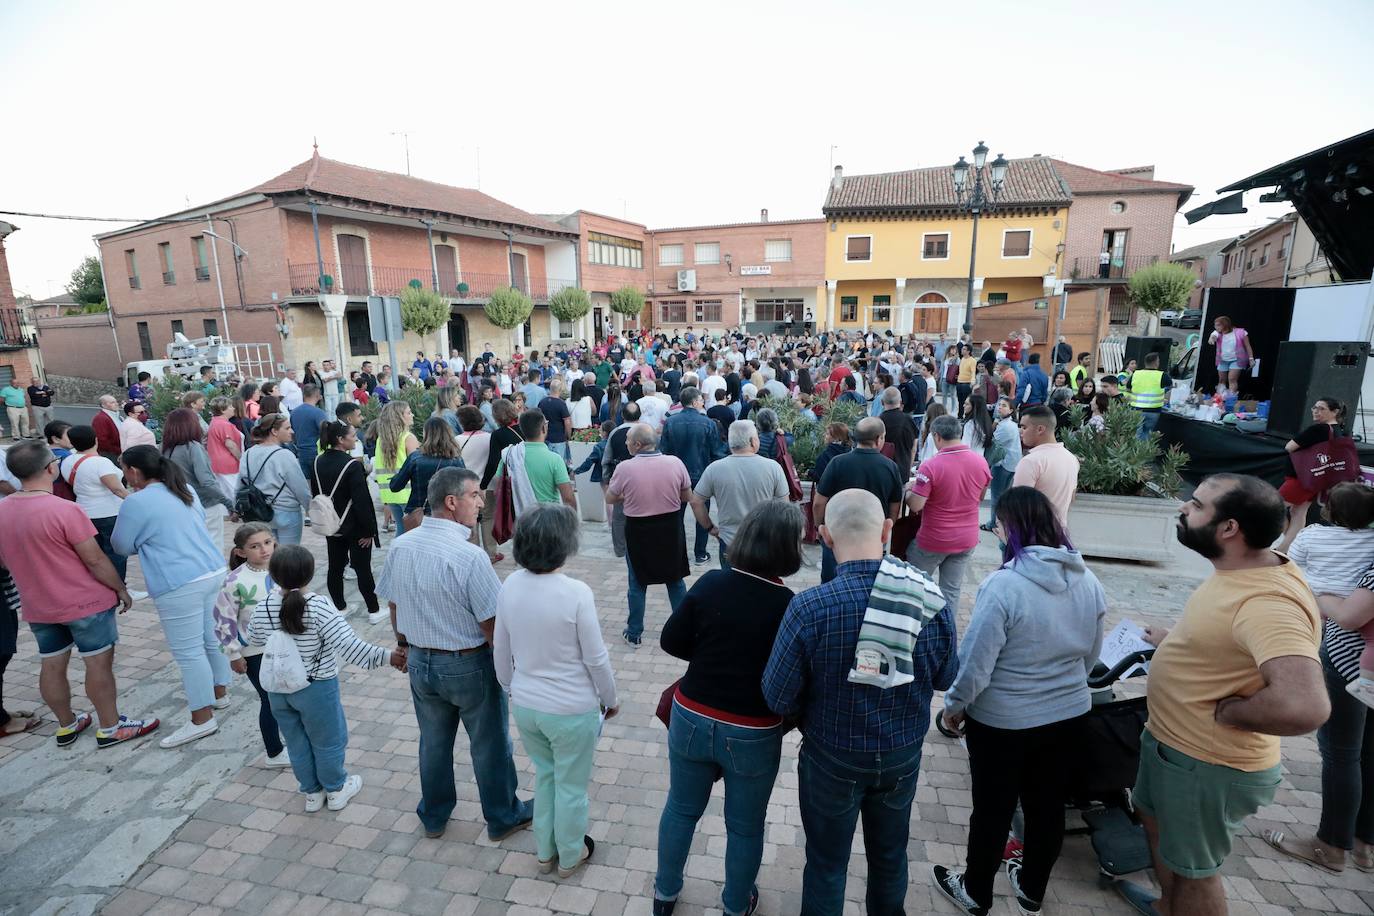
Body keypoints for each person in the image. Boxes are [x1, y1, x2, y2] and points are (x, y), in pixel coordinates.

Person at [1121, 474, 1328, 916]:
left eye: (1195, 505)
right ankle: (1167, 906)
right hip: (1175, 749)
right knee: (1163, 836)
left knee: (1197, 870)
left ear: (1229, 528)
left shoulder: (1267, 602)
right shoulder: (1241, 570)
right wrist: (1173, 640)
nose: (1182, 509)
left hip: (1206, 763)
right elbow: (1231, 642)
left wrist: (1235, 712)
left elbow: (1304, 704)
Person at [763, 488, 957, 914]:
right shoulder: (929, 598)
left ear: (825, 536)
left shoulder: (809, 608)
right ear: (888, 529)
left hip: (831, 755)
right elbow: (946, 676)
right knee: (890, 860)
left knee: (827, 864)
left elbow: (777, 696)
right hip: (902, 753)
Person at [933, 486, 1106, 915]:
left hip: (1003, 723)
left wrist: (954, 707)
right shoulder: (1089, 581)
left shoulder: (1004, 586)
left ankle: (975, 891)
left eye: (998, 523)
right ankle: (1031, 890)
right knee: (1046, 807)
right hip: (1068, 715)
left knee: (992, 809)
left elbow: (976, 664)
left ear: (1011, 527)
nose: (994, 529)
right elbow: (1092, 654)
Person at [657, 497, 802, 916]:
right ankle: (736, 905)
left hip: (691, 713)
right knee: (744, 826)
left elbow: (671, 641)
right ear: (789, 548)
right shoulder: (787, 604)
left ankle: (664, 896)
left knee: (681, 810)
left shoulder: (711, 583)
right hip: (753, 728)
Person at [377, 467, 533, 840]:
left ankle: (434, 814)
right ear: (451, 502)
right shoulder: (469, 557)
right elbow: (492, 625)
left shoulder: (402, 545)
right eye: (475, 495)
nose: (480, 502)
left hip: (419, 661)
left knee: (432, 741)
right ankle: (501, 815)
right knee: (490, 744)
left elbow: (395, 605)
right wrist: (511, 671)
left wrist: (402, 644)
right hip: (467, 664)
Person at [0, 440, 159, 748]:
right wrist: (120, 588)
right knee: (97, 664)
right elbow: (95, 559)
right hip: (84, 602)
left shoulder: (3, 511)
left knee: (52, 662)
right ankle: (111, 727)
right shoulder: (66, 509)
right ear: (50, 468)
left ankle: (67, 724)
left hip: (38, 605)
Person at [495, 503, 617, 878]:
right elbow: (596, 658)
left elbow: (501, 648)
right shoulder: (576, 593)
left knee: (546, 776)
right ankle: (569, 854)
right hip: (570, 709)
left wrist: (510, 687)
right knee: (571, 786)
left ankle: (545, 851)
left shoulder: (510, 584)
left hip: (528, 705)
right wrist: (610, 700)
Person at [247, 544, 403, 813]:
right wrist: (389, 656)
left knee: (296, 741)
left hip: (279, 689)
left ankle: (311, 793)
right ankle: (336, 789)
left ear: (273, 575)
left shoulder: (265, 606)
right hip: (316, 687)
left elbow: (254, 638)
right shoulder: (318, 606)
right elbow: (350, 647)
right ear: (309, 574)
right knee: (328, 740)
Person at [113, 445, 234, 749]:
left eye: (124, 468)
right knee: (209, 639)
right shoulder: (183, 489)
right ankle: (220, 694)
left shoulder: (136, 502)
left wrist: (146, 540)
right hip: (210, 571)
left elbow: (121, 545)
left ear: (135, 472)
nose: (123, 474)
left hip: (179, 582)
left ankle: (201, 719)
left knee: (190, 652)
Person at [606, 424, 692, 646]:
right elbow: (686, 496)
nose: (625, 443)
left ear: (637, 444)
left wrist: (630, 496)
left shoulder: (625, 468)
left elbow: (610, 497)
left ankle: (634, 633)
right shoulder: (675, 463)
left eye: (627, 440)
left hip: (639, 530)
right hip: (670, 528)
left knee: (637, 583)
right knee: (675, 581)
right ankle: (683, 630)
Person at [212, 522, 288, 768]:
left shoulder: (281, 569)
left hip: (286, 645)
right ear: (241, 552)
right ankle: (274, 752)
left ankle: (292, 737)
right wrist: (234, 654)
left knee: (288, 694)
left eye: (267, 543)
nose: (264, 550)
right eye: (255, 546)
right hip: (255, 651)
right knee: (270, 700)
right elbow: (224, 620)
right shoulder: (234, 581)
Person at [905, 414, 991, 613]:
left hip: (934, 538)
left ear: (936, 436)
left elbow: (916, 505)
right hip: (966, 539)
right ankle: (947, 636)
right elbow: (979, 497)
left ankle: (915, 631)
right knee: (951, 592)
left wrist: (909, 490)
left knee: (915, 588)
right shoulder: (980, 462)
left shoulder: (931, 466)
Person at [690, 419, 789, 572]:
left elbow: (696, 501)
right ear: (752, 441)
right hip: (763, 542)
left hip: (730, 542)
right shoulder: (773, 468)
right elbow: (784, 507)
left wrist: (710, 528)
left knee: (731, 590)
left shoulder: (714, 469)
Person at [813, 417, 903, 582]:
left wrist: (820, 527)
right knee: (867, 584)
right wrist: (886, 526)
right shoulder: (890, 467)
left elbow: (819, 502)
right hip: (873, 535)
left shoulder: (837, 463)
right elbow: (895, 505)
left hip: (837, 532)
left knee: (831, 583)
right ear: (879, 439)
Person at [313, 420, 381, 623]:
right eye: (353, 435)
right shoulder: (352, 465)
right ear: (341, 440)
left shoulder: (317, 461)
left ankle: (340, 607)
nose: (356, 438)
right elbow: (362, 501)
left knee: (335, 566)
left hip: (331, 524)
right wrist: (370, 531)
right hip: (355, 526)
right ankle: (374, 610)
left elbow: (317, 493)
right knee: (362, 569)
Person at [662, 386, 728, 566]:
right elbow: (717, 451)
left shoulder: (671, 422)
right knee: (701, 514)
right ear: (694, 402)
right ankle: (700, 553)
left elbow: (664, 451)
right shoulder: (707, 423)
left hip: (676, 475)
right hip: (701, 474)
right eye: (700, 400)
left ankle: (678, 553)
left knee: (677, 515)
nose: (702, 402)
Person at [59, 425, 132, 585]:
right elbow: (116, 489)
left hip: (84, 512)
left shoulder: (67, 460)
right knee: (116, 554)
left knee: (95, 555)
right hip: (109, 513)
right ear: (95, 440)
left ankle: (101, 586)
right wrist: (136, 502)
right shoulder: (100, 463)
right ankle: (119, 586)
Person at [1277, 397, 1351, 552]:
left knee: (1274, 507)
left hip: (1301, 479)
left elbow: (1289, 447)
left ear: (1334, 412)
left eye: (1322, 408)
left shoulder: (1319, 429)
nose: (1316, 411)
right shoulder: (1340, 430)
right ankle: (1287, 547)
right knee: (1298, 512)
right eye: (1315, 407)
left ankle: (1282, 547)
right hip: (1316, 479)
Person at [162, 407, 236, 550]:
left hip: (181, 504)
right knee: (213, 545)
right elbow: (207, 481)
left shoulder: (165, 449)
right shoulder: (193, 447)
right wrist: (228, 503)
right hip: (205, 504)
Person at [239, 413, 312, 546]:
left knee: (268, 555)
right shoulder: (284, 455)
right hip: (286, 512)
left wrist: (236, 507)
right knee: (288, 556)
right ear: (274, 431)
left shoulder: (248, 453)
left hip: (258, 511)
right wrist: (310, 508)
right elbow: (300, 488)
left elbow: (241, 483)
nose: (292, 431)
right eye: (287, 428)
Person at [496, 410, 577, 515]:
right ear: (544, 428)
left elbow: (498, 488)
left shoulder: (509, 455)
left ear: (521, 429)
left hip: (520, 519)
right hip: (549, 520)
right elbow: (568, 498)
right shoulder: (555, 460)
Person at [1013, 406, 1078, 531]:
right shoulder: (1071, 459)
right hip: (1059, 533)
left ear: (1040, 429)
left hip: (1032, 536)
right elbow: (1071, 498)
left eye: (1024, 427)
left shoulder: (1031, 461)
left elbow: (1017, 506)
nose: (1021, 431)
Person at [982, 397, 1022, 531]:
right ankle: (1000, 522)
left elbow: (991, 441)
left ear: (1011, 410)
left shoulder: (1007, 426)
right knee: (1003, 495)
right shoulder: (1007, 423)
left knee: (996, 496)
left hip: (1003, 464)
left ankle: (994, 524)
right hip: (1010, 463)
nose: (1000, 408)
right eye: (999, 405)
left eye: (1004, 406)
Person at [1127, 352, 1171, 441]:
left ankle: (1136, 453)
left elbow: (1128, 388)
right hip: (1153, 411)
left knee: (1136, 435)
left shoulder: (1136, 374)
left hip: (1136, 409)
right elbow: (1170, 387)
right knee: (1148, 434)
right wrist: (1165, 398)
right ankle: (1145, 453)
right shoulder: (1162, 375)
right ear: (1156, 362)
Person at [289, 384, 329, 482]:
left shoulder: (294, 412)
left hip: (301, 452)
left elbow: (292, 433)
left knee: (308, 483)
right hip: (316, 452)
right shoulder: (318, 413)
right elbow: (326, 432)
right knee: (321, 483)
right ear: (317, 395)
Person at [878, 387, 917, 484]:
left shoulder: (877, 422)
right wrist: (908, 468)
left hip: (881, 471)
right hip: (902, 470)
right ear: (900, 402)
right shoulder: (909, 421)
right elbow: (914, 448)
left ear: (882, 402)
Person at [1208, 315, 1254, 394]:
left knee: (1232, 379)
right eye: (1215, 325)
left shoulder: (1241, 332)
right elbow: (1213, 336)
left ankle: (1230, 399)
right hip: (1222, 360)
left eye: (1218, 325)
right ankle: (1219, 399)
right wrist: (1211, 338)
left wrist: (1251, 358)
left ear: (1225, 324)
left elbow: (1248, 346)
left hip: (1237, 360)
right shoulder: (1217, 333)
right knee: (1221, 380)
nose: (1216, 327)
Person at [539, 378, 573, 462]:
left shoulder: (542, 402)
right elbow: (567, 422)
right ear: (560, 389)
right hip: (558, 439)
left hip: (544, 438)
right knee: (558, 463)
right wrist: (568, 435)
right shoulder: (561, 403)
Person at [92, 394, 124, 461]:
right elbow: (102, 440)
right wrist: (117, 451)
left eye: (116, 402)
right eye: (112, 402)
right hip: (111, 454)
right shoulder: (100, 418)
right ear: (103, 405)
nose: (116, 404)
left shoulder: (118, 416)